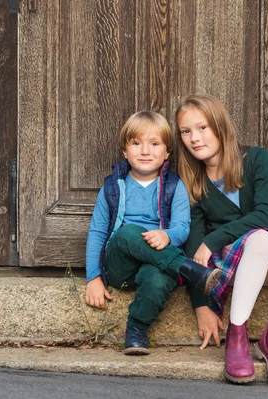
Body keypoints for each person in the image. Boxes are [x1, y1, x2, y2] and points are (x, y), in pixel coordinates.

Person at [175, 94, 268, 384]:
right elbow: (194, 248)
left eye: (202, 127)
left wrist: (213, 238)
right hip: (230, 268)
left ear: (219, 126)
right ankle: (237, 335)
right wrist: (201, 306)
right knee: (261, 240)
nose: (195, 137)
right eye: (186, 131)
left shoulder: (257, 159)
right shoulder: (192, 181)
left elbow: (266, 216)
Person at [85, 110, 222, 355]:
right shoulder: (113, 187)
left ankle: (136, 329)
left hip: (158, 263)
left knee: (159, 280)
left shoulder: (174, 186)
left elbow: (182, 227)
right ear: (125, 151)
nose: (145, 151)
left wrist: (168, 236)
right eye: (136, 144)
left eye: (154, 144)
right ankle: (188, 270)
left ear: (167, 152)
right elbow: (97, 232)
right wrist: (94, 277)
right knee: (128, 233)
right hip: (121, 266)